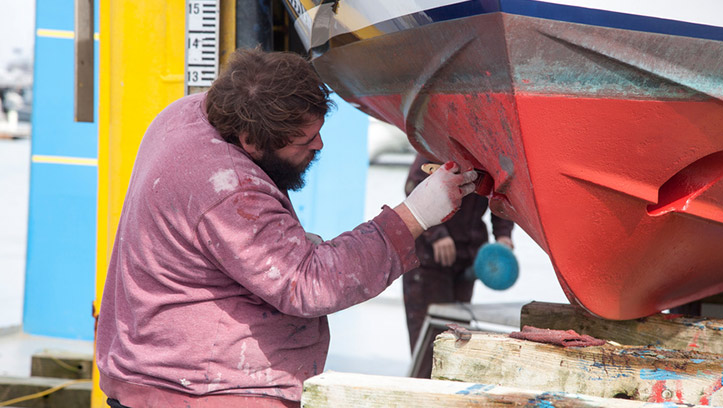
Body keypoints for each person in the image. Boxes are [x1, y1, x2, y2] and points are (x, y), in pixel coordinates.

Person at [95, 48, 479, 408]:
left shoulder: (184, 114)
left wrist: (275, 247)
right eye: (305, 140)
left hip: (161, 372)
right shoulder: (227, 186)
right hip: (204, 390)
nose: (320, 145)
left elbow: (215, 236)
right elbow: (310, 284)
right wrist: (415, 214)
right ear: (249, 140)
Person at [403, 154, 515, 378]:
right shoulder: (437, 140)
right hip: (428, 262)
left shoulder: (491, 151)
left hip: (466, 260)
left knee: (455, 344)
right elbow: (414, 187)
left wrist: (503, 235)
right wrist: (437, 234)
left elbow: (501, 192)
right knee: (430, 347)